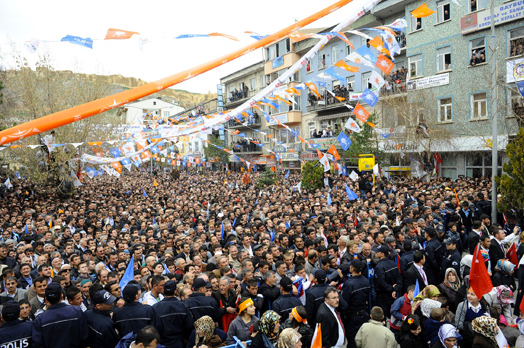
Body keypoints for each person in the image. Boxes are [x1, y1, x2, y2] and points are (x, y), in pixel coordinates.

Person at [32, 282, 89, 348]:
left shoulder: (40, 319)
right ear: (62, 296)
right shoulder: (76, 311)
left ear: (46, 300)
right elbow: (85, 338)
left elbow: (37, 344)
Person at [152, 280, 192, 348]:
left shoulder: (155, 308)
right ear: (175, 292)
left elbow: (153, 328)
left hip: (163, 343)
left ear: (163, 291)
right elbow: (189, 325)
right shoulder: (183, 306)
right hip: (179, 343)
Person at [341, 259, 370, 348]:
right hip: (363, 314)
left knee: (352, 341)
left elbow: (345, 302)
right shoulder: (366, 281)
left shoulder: (349, 284)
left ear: (352, 269)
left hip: (352, 317)